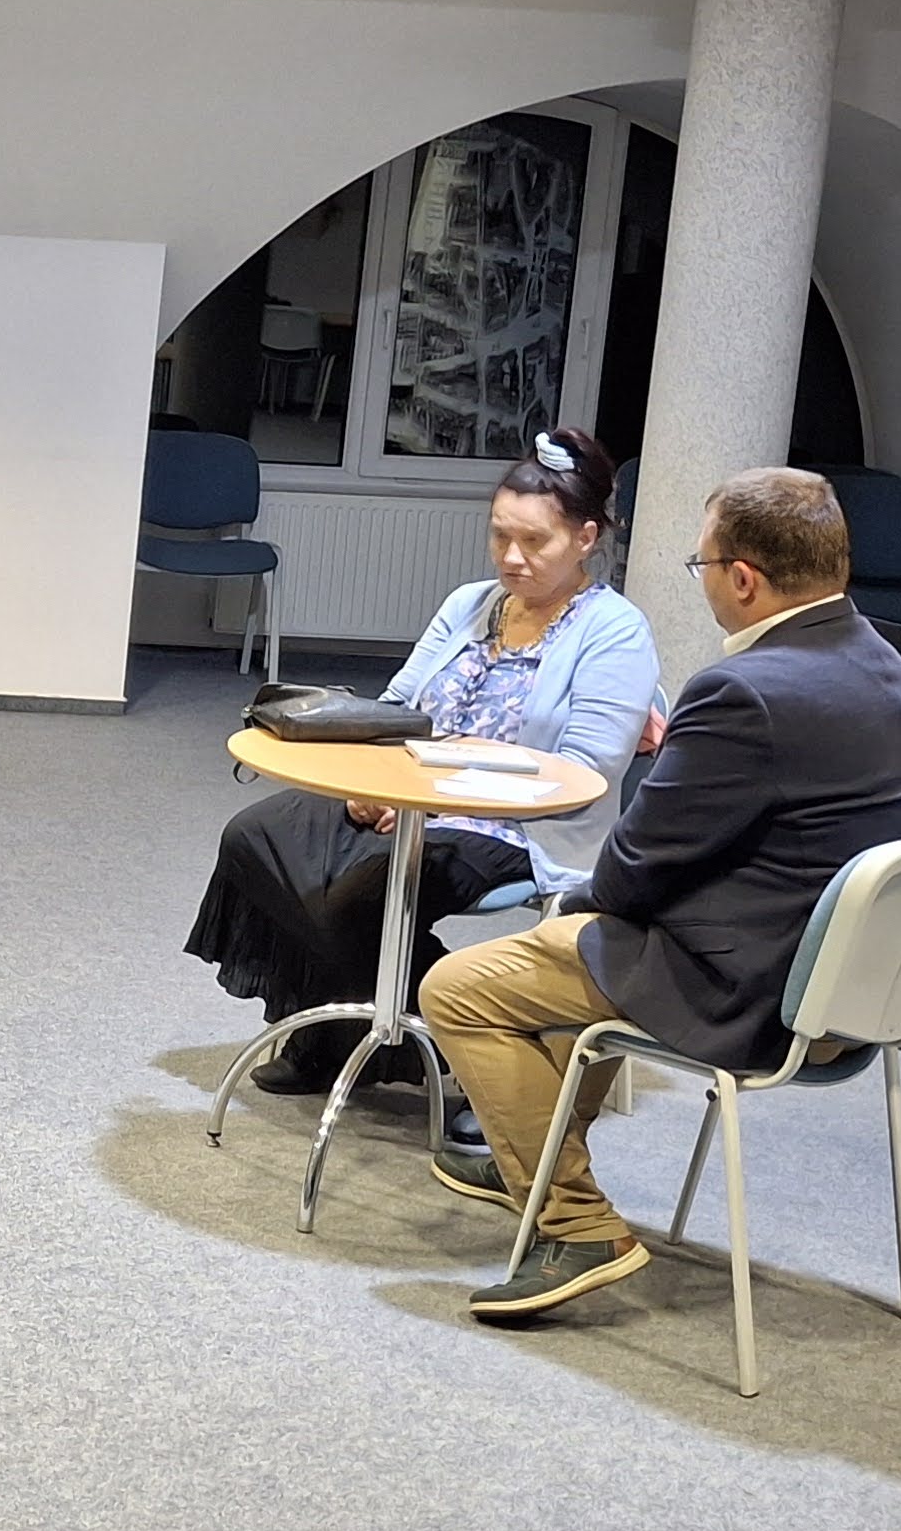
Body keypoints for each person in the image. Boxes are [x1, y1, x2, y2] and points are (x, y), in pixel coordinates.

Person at [418, 466, 901, 1322]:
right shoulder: (887, 666)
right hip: (853, 991)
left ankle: (575, 1222)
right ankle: (531, 1159)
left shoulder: (744, 691)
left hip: (746, 992)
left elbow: (634, 866)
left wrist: (576, 904)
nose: (703, 582)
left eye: (703, 565)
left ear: (744, 579)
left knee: (462, 988)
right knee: (569, 948)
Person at [188, 427, 660, 1093]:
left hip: (516, 825)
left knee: (360, 897)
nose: (512, 557)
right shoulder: (469, 605)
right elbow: (394, 710)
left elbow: (587, 768)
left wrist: (434, 796)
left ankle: (469, 1060)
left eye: (535, 541)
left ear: (585, 538)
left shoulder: (615, 631)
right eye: (500, 536)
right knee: (255, 837)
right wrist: (370, 785)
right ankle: (357, 1038)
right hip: (409, 796)